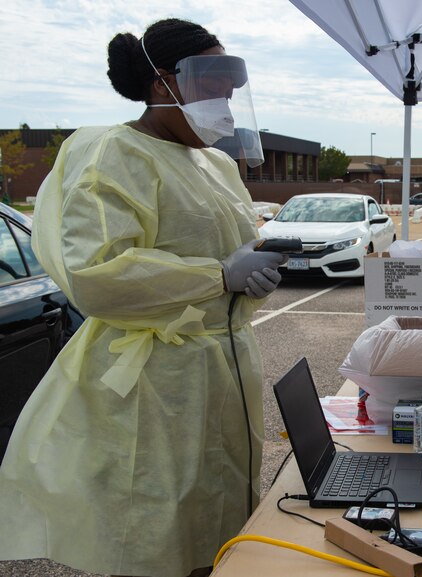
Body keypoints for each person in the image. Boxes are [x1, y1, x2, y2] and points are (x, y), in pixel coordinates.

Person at [0, 18, 287, 577]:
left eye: (233, 82)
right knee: (155, 531)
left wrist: (251, 282)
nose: (226, 96)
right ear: (163, 85)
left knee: (223, 520)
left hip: (221, 372)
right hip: (154, 385)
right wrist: (218, 276)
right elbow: (97, 273)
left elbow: (230, 256)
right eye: (213, 80)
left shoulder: (219, 164)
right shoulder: (113, 154)